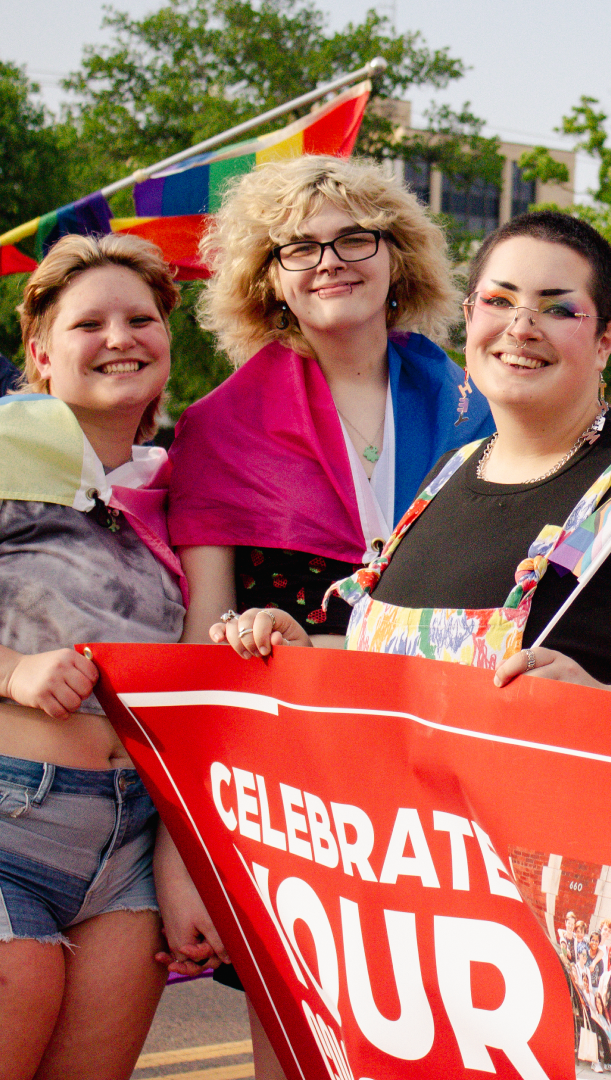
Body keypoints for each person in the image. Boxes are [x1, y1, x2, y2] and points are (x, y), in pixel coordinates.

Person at [159, 153, 496, 1072]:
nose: (329, 261)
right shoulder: (217, 427)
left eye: (356, 237)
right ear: (266, 278)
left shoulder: (483, 411)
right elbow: (203, 648)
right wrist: (179, 850)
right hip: (290, 792)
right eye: (297, 248)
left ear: (398, 258)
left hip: (450, 785)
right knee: (299, 1042)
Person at [219, 209, 611, 708]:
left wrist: (605, 700)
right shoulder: (448, 474)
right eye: (499, 302)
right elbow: (403, 673)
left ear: (606, 340)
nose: (520, 328)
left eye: (557, 308)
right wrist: (306, 646)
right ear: (468, 317)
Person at [0, 233, 187, 1078]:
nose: (121, 337)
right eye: (90, 323)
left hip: (131, 851)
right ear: (41, 352)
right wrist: (12, 670)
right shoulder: (4, 450)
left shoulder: (179, 487)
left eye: (140, 318)